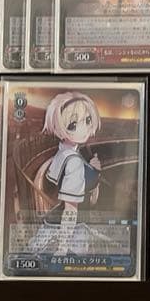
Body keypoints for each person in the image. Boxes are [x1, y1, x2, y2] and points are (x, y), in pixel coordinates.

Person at [25, 92, 103, 257]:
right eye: (73, 124)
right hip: (70, 229)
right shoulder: (74, 162)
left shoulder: (65, 151)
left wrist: (93, 170)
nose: (84, 128)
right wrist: (62, 247)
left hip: (60, 223)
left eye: (88, 120)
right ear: (59, 128)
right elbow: (70, 210)